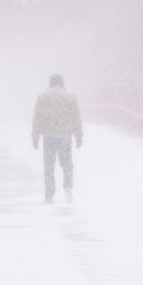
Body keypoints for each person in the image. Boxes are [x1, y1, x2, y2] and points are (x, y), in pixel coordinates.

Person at [31, 74, 83, 203]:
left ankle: (49, 194)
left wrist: (35, 135)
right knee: (67, 164)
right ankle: (68, 188)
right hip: (65, 135)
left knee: (49, 165)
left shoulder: (42, 98)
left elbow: (37, 117)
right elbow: (76, 117)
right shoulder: (71, 98)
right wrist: (78, 135)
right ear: (62, 83)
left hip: (48, 136)